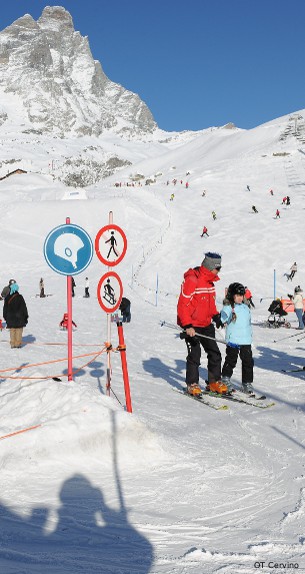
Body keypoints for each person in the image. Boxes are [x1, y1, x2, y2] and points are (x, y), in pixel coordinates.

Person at [177, 252, 224, 396]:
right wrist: (187, 325)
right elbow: (182, 306)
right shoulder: (192, 280)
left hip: (206, 324)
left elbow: (209, 305)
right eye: (218, 268)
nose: (219, 271)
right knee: (194, 355)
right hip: (192, 326)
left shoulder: (210, 282)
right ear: (211, 267)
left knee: (215, 353)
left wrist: (215, 316)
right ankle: (192, 384)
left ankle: (214, 382)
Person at [220, 283, 254, 394]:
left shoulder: (245, 308)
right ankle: (225, 378)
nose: (240, 298)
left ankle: (247, 383)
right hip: (233, 339)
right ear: (231, 295)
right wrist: (224, 313)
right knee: (231, 360)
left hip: (245, 340)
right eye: (237, 295)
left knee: (248, 362)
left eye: (241, 295)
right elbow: (222, 319)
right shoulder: (229, 307)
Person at [3, 282, 28, 348]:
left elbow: (5, 308)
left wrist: (5, 317)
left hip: (10, 318)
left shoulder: (7, 297)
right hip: (20, 317)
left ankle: (13, 344)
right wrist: (26, 317)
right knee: (19, 330)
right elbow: (24, 308)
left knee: (12, 330)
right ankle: (17, 344)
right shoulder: (20, 297)